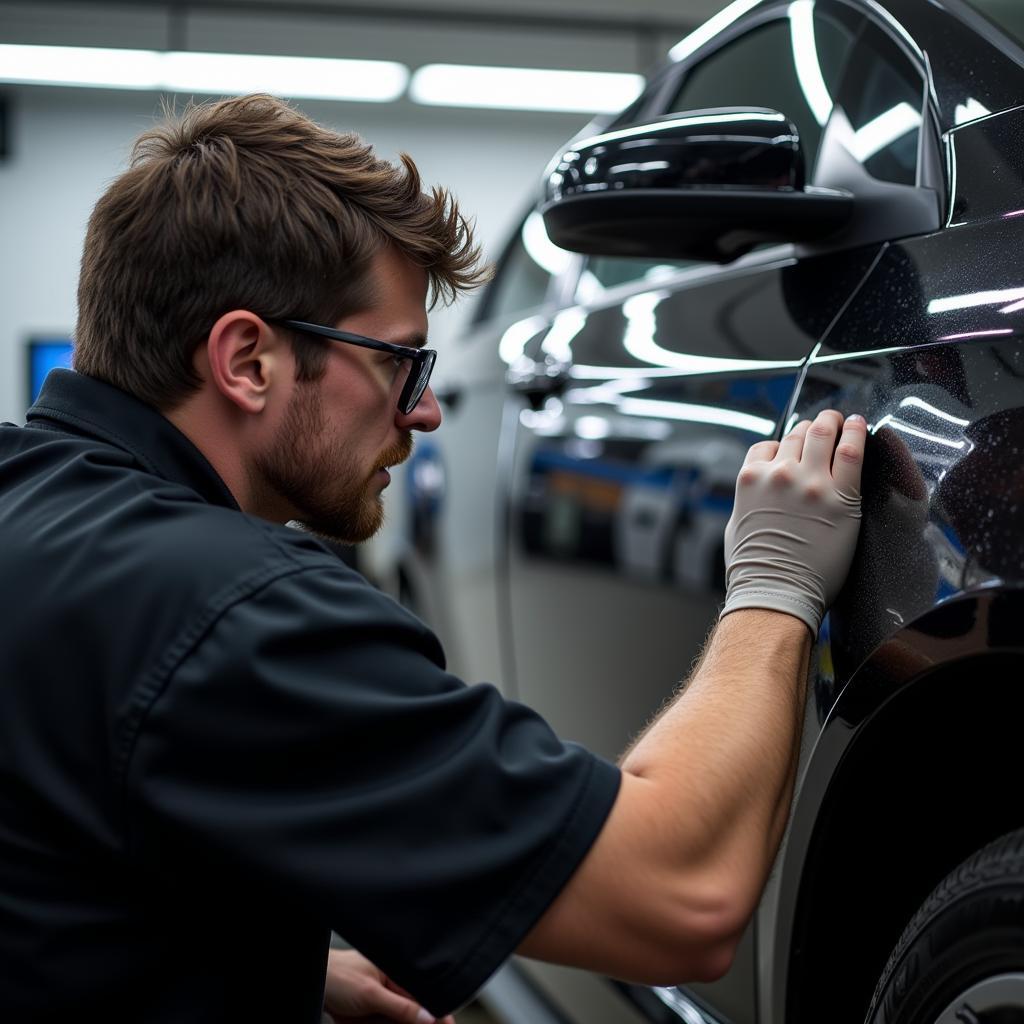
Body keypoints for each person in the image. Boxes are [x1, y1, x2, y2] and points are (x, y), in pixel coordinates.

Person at [0, 93, 866, 1023]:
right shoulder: (234, 617)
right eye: (400, 362)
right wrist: (773, 589)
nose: (425, 411)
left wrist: (278, 966)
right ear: (247, 361)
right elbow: (681, 896)